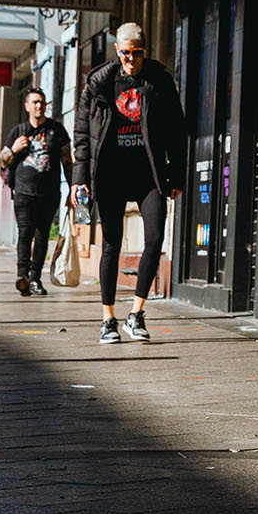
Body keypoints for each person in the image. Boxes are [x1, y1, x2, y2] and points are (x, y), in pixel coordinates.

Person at [72, 22, 189, 344]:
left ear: (144, 50)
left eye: (136, 53)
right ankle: (108, 319)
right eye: (125, 53)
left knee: (155, 239)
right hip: (110, 173)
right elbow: (82, 136)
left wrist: (176, 175)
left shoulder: (159, 82)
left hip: (148, 174)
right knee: (111, 244)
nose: (131, 59)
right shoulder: (99, 83)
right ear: (117, 51)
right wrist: (78, 181)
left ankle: (136, 314)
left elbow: (178, 133)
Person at [0, 88, 72, 296]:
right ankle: (22, 275)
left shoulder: (56, 130)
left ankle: (35, 279)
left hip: (49, 193)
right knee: (25, 232)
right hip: (23, 191)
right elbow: (2, 160)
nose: (39, 106)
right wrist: (14, 149)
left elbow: (68, 161)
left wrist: (72, 187)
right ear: (27, 106)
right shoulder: (18, 131)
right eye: (35, 102)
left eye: (41, 102)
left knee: (41, 236)